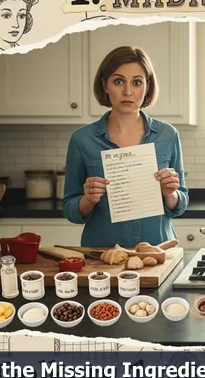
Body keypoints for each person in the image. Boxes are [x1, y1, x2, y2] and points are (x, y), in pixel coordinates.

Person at [62, 46, 189, 247]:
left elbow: (180, 203)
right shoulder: (82, 140)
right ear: (105, 85)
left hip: (158, 251)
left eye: (137, 82)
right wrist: (88, 199)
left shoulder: (168, 135)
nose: (128, 92)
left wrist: (170, 193)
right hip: (102, 254)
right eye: (118, 81)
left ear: (147, 86)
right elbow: (71, 210)